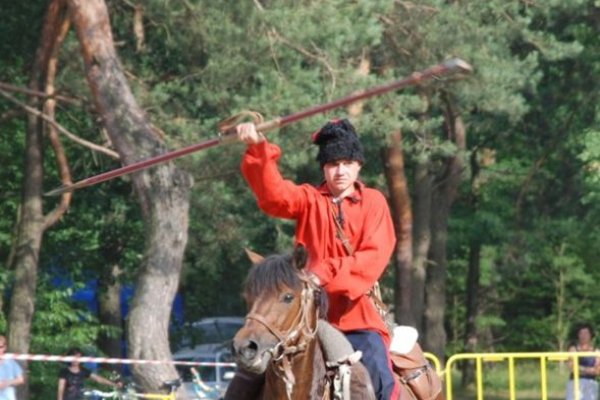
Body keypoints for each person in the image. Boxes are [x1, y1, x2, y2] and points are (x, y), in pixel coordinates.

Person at [229, 118, 399, 400]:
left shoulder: (374, 201)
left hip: (356, 317)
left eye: (347, 163)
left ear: (358, 165)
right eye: (333, 164)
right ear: (324, 167)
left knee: (378, 378)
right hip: (302, 317)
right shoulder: (308, 199)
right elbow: (273, 195)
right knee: (243, 380)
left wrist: (323, 273)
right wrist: (257, 147)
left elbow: (372, 256)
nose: (340, 171)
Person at [565, 323, 600, 400]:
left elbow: (598, 371)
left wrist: (580, 368)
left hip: (591, 383)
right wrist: (590, 369)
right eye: (581, 333)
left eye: (586, 333)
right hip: (575, 382)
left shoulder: (596, 351)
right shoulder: (573, 349)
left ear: (591, 335)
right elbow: (572, 368)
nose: (583, 336)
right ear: (578, 335)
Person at [0, 335, 24, 400]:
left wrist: (7, 383)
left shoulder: (10, 362)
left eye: (0, 347)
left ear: (5, 347)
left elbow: (21, 379)